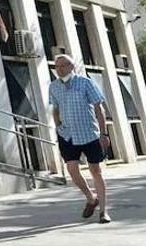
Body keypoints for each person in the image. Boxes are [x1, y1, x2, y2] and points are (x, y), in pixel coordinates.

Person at [48, 54, 113, 224]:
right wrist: (58, 126)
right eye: (57, 66)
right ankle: (91, 198)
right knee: (72, 169)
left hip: (89, 133)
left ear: (71, 66)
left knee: (95, 170)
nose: (60, 69)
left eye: (63, 65)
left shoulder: (85, 82)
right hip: (67, 134)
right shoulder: (54, 87)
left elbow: (99, 108)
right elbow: (55, 109)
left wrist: (103, 133)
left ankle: (103, 212)